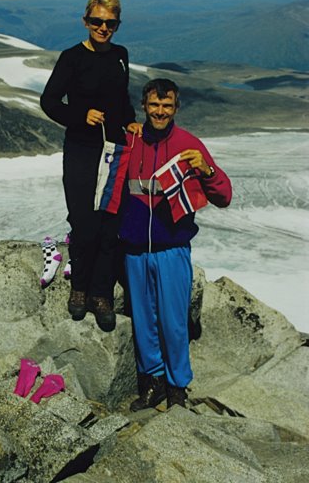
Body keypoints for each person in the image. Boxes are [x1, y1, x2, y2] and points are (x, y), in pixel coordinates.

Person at [119, 78, 232, 410]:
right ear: (144, 106)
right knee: (143, 320)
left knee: (173, 321)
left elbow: (224, 196)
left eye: (167, 106)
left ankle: (178, 387)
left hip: (172, 248)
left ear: (176, 109)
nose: (160, 111)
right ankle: (152, 382)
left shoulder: (189, 144)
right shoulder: (132, 140)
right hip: (136, 249)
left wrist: (207, 169)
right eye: (154, 105)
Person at [40, 0, 141, 332]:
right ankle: (79, 288)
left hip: (115, 149)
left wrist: (130, 119)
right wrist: (80, 115)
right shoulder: (71, 58)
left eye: (110, 23)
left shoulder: (121, 56)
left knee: (110, 223)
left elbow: (121, 99)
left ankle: (101, 295)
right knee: (83, 222)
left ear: (117, 25)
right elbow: (49, 101)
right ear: (86, 22)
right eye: (97, 21)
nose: (103, 28)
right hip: (82, 150)